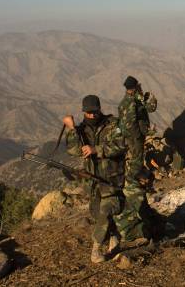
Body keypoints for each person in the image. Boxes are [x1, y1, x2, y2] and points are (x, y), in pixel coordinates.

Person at [63, 94, 126, 263]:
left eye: (94, 112)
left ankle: (96, 251)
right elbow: (74, 150)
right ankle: (114, 235)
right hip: (93, 181)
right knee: (97, 214)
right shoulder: (82, 129)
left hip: (112, 179)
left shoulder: (113, 124)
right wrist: (71, 129)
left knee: (106, 211)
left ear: (99, 109)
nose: (91, 115)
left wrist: (96, 149)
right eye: (88, 113)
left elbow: (121, 145)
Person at [114, 75, 158, 242]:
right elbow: (151, 108)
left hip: (128, 139)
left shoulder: (123, 103)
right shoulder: (135, 100)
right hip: (135, 138)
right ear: (134, 88)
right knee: (137, 165)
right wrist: (150, 97)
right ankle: (136, 191)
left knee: (133, 163)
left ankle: (134, 186)